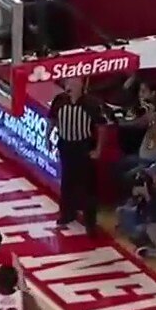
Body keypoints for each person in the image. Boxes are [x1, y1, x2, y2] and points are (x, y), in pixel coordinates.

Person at [48, 76, 107, 236]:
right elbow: (52, 119)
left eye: (75, 83)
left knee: (88, 185)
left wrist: (98, 149)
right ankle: (67, 213)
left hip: (84, 147)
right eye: (69, 83)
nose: (71, 86)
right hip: (66, 145)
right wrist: (48, 137)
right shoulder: (59, 100)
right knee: (67, 181)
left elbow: (101, 127)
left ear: (82, 86)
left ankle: (90, 222)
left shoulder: (91, 103)